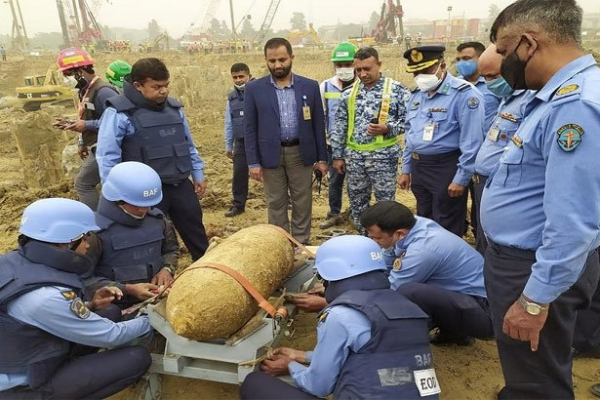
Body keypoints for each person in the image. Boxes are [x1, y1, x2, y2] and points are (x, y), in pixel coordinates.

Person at [481, 1, 600, 398]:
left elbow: (573, 222)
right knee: (529, 367)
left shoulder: (575, 108)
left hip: (532, 269)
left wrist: (534, 300)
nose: (499, 60)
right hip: (522, 263)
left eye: (502, 49)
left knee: (537, 379)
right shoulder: (550, 98)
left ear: (528, 44)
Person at [240, 235, 438, 399]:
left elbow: (319, 386)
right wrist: (302, 356)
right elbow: (376, 356)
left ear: (331, 274)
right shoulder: (409, 308)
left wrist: (291, 366)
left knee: (254, 383)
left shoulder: (340, 316)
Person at [0, 198, 152, 399]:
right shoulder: (44, 297)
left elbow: (38, 315)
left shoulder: (13, 263)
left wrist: (90, 305)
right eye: (85, 237)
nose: (88, 245)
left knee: (110, 311)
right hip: (25, 385)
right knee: (137, 358)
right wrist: (152, 320)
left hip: (26, 353)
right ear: (65, 242)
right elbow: (112, 335)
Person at [97, 58, 209, 260]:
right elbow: (107, 158)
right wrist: (114, 195)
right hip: (142, 193)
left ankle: (208, 271)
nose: (164, 91)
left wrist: (198, 173)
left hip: (179, 184)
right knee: (154, 238)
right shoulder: (119, 113)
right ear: (138, 86)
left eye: (166, 85)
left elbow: (187, 144)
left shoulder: (175, 109)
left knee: (196, 232)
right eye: (156, 87)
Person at [360, 201, 493, 346]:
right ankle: (454, 333)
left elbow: (393, 290)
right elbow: (385, 262)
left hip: (486, 312)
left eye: (376, 238)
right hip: (467, 298)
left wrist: (358, 305)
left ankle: (411, 345)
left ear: (399, 233)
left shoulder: (423, 250)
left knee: (409, 292)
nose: (371, 240)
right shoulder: (413, 225)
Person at [244, 38, 328, 245]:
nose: (277, 65)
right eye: (272, 61)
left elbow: (318, 124)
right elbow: (250, 128)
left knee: (302, 200)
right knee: (276, 202)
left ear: (291, 57)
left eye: (282, 59)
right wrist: (253, 162)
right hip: (270, 154)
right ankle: (281, 244)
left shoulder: (309, 86)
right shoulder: (254, 89)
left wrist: (322, 158)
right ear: (265, 60)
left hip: (301, 152)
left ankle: (300, 243)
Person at [399, 45, 484, 237]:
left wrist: (461, 178)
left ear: (442, 65)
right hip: (419, 167)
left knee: (446, 224)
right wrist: (406, 169)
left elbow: (472, 142)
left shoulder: (464, 94)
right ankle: (429, 261)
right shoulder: (416, 96)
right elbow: (410, 134)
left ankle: (447, 264)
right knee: (424, 221)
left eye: (426, 70)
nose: (420, 76)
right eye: (416, 72)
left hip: (446, 168)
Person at [330, 47, 410, 234]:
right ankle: (365, 238)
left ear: (379, 65)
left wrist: (389, 128)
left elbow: (410, 122)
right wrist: (337, 156)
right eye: (358, 70)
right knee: (358, 203)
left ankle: (387, 241)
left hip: (384, 160)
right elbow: (339, 125)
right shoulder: (349, 93)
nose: (362, 74)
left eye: (367, 69)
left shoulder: (397, 91)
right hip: (355, 160)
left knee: (385, 204)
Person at [86, 161, 179, 315]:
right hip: (115, 308)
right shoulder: (93, 233)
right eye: (135, 204)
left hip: (158, 298)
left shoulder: (158, 220)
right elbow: (83, 279)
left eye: (148, 204)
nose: (143, 209)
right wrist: (128, 289)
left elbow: (171, 250)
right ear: (117, 200)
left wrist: (166, 269)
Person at [472, 44, 532, 256]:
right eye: (485, 77)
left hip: (501, 184)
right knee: (483, 235)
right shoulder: (509, 98)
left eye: (493, 76)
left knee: (494, 242)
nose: (489, 83)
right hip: (484, 181)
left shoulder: (530, 100)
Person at [54, 47, 118, 211]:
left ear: (80, 71)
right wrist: (81, 140)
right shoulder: (84, 91)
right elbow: (88, 116)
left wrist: (86, 125)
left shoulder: (104, 92)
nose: (66, 79)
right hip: (96, 145)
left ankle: (97, 224)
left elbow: (118, 122)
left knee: (83, 184)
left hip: (107, 148)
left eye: (67, 75)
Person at [318, 41, 358, 229]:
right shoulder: (325, 87)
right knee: (335, 181)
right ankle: (334, 213)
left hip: (357, 146)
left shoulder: (363, 85)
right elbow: (320, 117)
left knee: (357, 182)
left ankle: (355, 213)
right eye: (340, 65)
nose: (344, 68)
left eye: (348, 64)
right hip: (333, 145)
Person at [224, 63, 253, 217]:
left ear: (249, 75)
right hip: (241, 143)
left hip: (260, 141)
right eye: (235, 77)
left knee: (271, 173)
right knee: (239, 174)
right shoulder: (231, 98)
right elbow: (228, 123)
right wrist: (229, 145)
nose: (239, 80)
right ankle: (238, 205)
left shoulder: (259, 92)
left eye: (241, 76)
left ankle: (284, 201)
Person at [455, 41, 501, 131]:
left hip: (488, 141)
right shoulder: (455, 86)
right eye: (458, 60)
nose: (461, 63)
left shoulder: (494, 84)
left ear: (481, 58)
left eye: (466, 58)